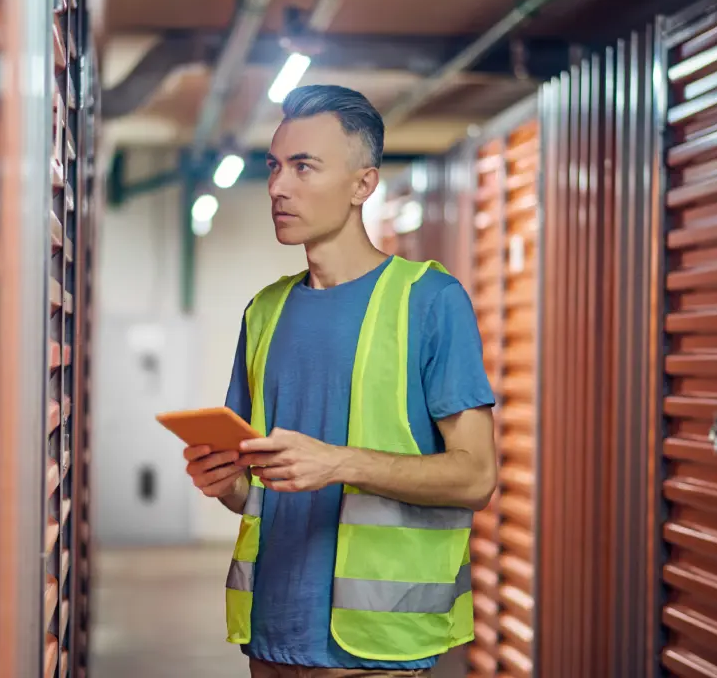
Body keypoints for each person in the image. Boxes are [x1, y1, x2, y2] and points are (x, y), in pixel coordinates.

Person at [183, 84, 497, 678]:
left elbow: (477, 476)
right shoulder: (264, 312)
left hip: (377, 648)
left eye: (304, 167)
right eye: (275, 166)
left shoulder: (428, 301)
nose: (278, 187)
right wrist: (223, 481)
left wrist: (340, 463)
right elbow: (258, 492)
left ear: (363, 184)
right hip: (270, 638)